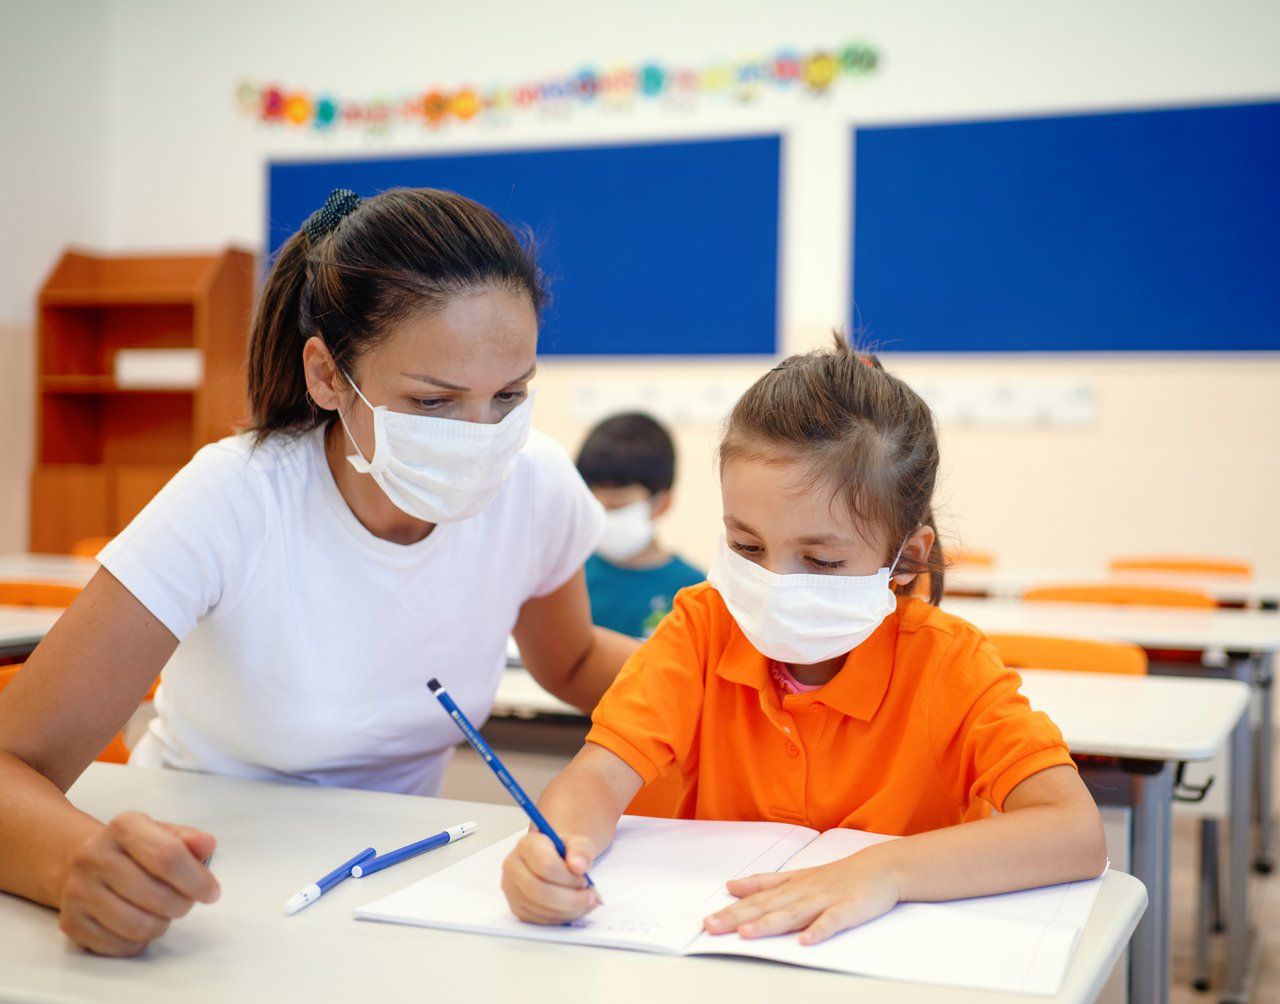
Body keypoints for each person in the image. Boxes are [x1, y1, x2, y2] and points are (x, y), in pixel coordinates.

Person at [0, 187, 636, 957]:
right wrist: (78, 865)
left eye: (510, 396)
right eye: (433, 402)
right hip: (207, 893)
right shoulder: (234, 497)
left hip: (398, 888)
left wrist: (738, 679)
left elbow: (569, 661)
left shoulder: (534, 484)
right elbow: (13, 763)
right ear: (329, 377)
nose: (481, 438)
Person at [499, 338, 1106, 944]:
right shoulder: (702, 628)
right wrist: (555, 849)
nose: (773, 584)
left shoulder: (947, 663)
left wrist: (883, 871)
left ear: (906, 558)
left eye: (819, 559)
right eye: (747, 546)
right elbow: (598, 778)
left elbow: (1075, 832)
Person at [576, 412, 705, 638]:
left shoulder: (691, 590)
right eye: (592, 504)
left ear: (660, 504)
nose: (601, 516)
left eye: (616, 505)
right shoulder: (571, 576)